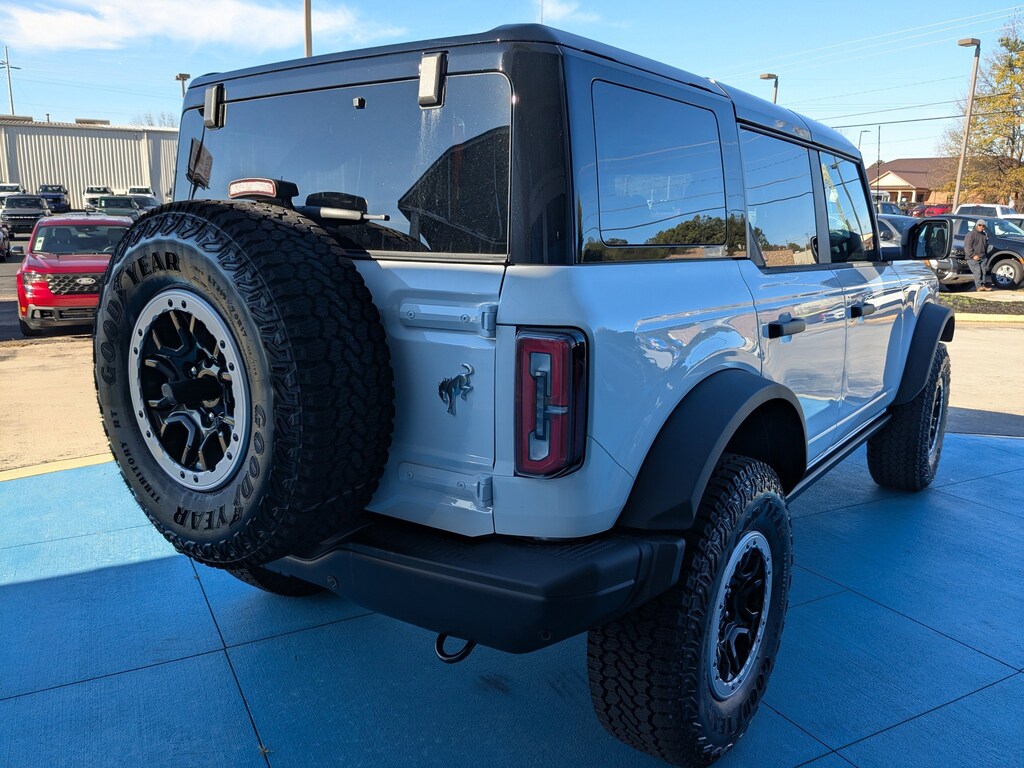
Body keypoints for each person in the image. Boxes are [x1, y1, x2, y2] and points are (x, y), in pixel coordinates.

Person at [963, 219, 991, 291]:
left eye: (983, 225)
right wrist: (973, 255)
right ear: (976, 225)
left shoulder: (984, 234)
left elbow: (986, 245)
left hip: (983, 256)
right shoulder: (970, 234)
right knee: (977, 271)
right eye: (980, 225)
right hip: (973, 257)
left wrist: (986, 254)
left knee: (983, 271)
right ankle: (978, 287)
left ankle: (983, 285)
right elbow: (967, 247)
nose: (981, 227)